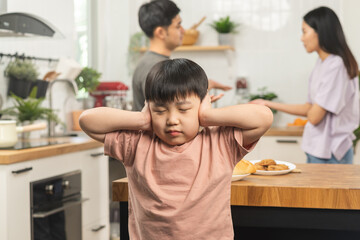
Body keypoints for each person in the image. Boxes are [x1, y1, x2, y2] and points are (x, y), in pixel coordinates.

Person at [79, 58, 273, 239]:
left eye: (183, 109)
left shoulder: (220, 143)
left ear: (201, 105)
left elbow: (264, 118)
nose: (172, 120)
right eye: (160, 111)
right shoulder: (136, 144)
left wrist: (206, 116)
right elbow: (87, 121)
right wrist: (142, 119)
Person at [251, 6, 359, 164]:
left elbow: (314, 117)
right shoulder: (322, 63)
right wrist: (266, 103)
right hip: (317, 149)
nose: (301, 38)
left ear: (320, 32)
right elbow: (310, 107)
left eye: (304, 31)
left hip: (331, 153)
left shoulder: (336, 66)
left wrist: (311, 111)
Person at [132, 0, 231, 111]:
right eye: (178, 25)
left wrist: (202, 88)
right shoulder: (153, 66)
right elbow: (167, 112)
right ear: (160, 32)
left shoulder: (152, 62)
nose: (183, 31)